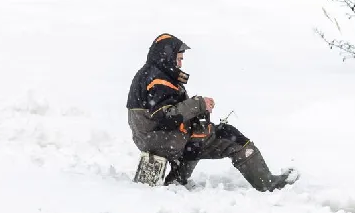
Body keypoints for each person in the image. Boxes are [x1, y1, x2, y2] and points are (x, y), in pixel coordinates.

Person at [126, 33, 298, 190]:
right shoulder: (158, 80)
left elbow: (163, 112)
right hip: (163, 139)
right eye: (178, 59)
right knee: (227, 136)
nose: (180, 63)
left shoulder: (148, 74)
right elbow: (166, 117)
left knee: (198, 132)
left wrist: (196, 110)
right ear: (167, 57)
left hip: (151, 139)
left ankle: (177, 179)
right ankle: (267, 183)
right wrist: (198, 104)